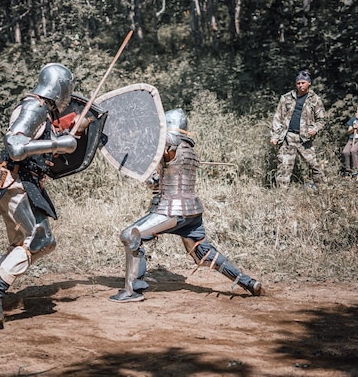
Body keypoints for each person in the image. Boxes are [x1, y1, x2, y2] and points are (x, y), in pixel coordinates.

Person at [0, 63, 90, 322]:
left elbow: (35, 146)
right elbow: (15, 146)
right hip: (16, 183)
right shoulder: (34, 107)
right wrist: (59, 142)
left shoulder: (41, 111)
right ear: (59, 88)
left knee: (23, 243)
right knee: (40, 240)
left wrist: (67, 137)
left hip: (18, 183)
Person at [109, 108, 262, 303]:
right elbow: (161, 181)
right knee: (203, 254)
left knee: (131, 235)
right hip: (191, 212)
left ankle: (132, 291)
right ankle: (248, 282)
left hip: (172, 210)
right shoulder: (189, 151)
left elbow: (154, 147)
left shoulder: (171, 144)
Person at [270, 70, 326, 189]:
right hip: (287, 137)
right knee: (284, 166)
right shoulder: (286, 98)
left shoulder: (315, 99)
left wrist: (315, 129)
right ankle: (281, 194)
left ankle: (323, 189)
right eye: (298, 83)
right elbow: (277, 118)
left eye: (303, 83)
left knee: (314, 165)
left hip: (304, 138)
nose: (300, 85)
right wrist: (275, 136)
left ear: (309, 83)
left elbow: (321, 120)